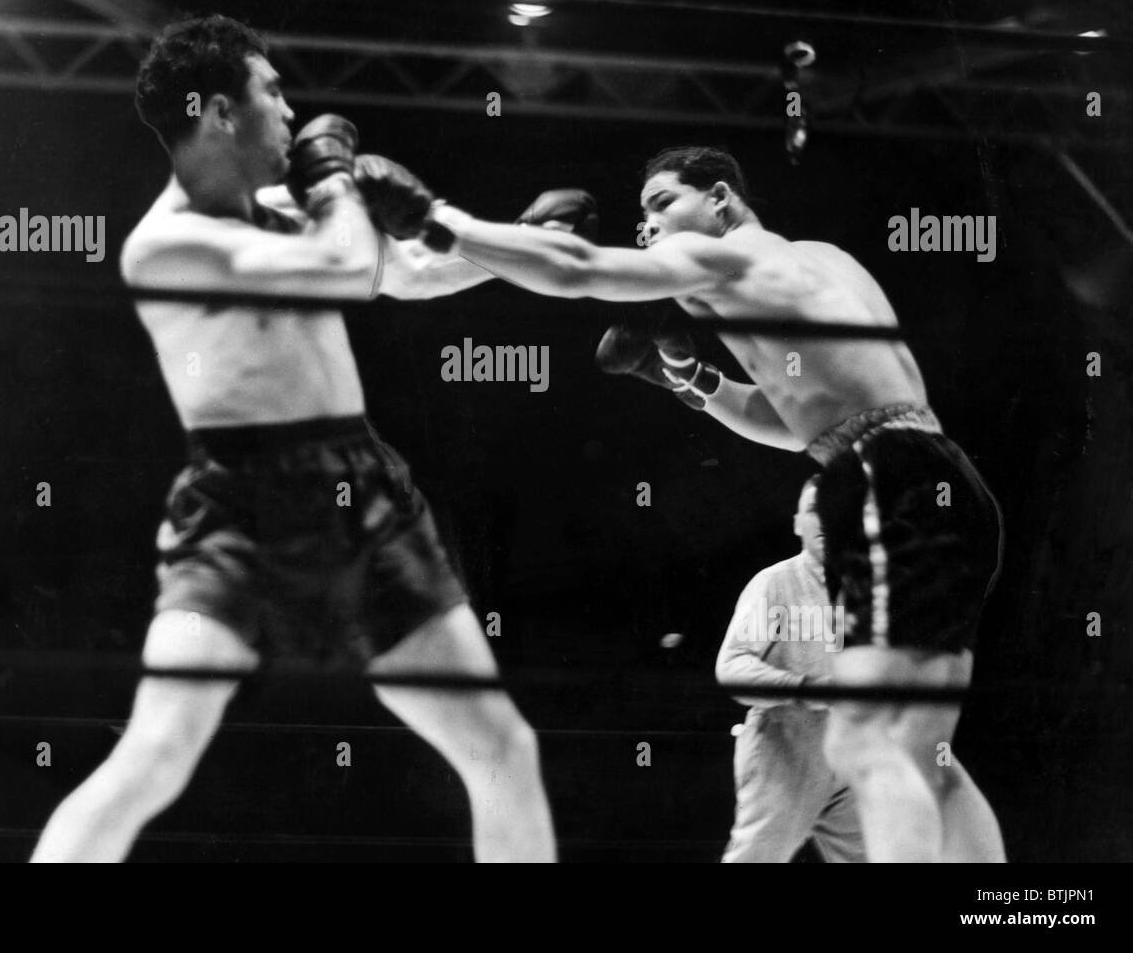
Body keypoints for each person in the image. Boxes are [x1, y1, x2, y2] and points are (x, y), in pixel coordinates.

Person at [30, 14, 555, 863]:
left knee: (501, 749)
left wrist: (520, 247)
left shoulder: (287, 207)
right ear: (219, 114)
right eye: (272, 91)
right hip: (239, 506)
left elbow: (408, 274)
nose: (290, 109)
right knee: (156, 753)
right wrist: (339, 185)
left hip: (365, 494)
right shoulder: (165, 246)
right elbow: (339, 269)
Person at [426, 145, 1005, 862]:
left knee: (869, 742)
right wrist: (693, 381)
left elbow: (579, 272)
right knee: (927, 755)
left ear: (723, 200)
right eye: (642, 217)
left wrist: (438, 222)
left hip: (886, 483)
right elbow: (795, 416)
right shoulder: (821, 261)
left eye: (662, 204)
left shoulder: (728, 262)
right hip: (936, 478)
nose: (647, 228)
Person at [715, 476, 863, 863]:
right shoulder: (775, 584)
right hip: (786, 746)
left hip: (856, 750)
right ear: (797, 522)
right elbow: (733, 665)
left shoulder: (873, 591)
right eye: (816, 510)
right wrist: (804, 687)